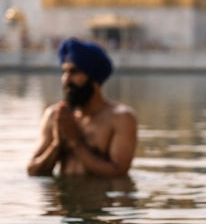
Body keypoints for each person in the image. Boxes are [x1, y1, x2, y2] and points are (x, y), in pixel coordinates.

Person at [27, 38, 137, 178]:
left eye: (74, 72)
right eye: (65, 72)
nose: (66, 79)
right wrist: (57, 144)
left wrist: (75, 142)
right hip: (61, 197)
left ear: (94, 78)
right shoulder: (55, 115)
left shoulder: (121, 118)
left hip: (101, 198)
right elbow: (32, 170)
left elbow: (118, 172)